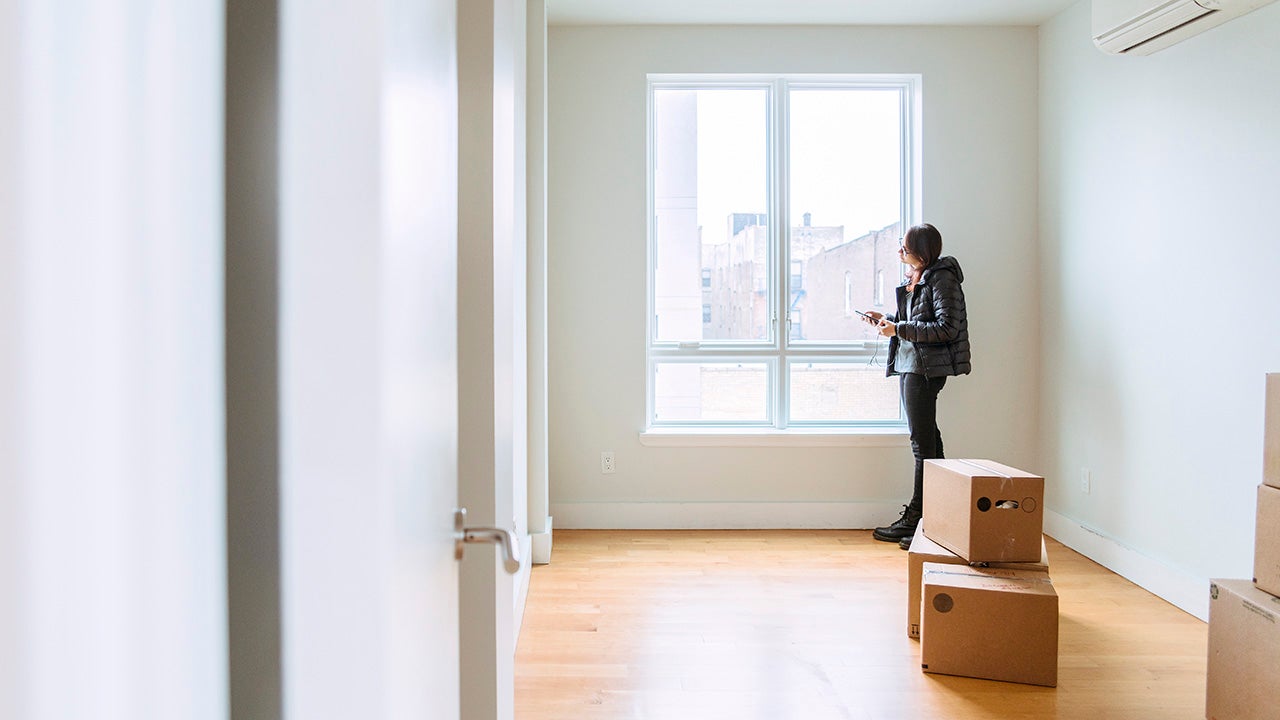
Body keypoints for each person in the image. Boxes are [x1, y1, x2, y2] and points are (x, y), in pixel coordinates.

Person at [859, 223, 970, 550]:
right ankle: (932, 519)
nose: (900, 252)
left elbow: (946, 328)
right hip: (913, 364)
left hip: (925, 368)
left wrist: (899, 329)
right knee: (929, 441)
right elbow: (917, 320)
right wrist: (887, 320)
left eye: (905, 248)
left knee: (922, 444)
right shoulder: (920, 278)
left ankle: (920, 518)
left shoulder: (942, 277)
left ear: (922, 251)